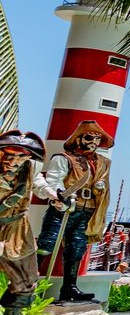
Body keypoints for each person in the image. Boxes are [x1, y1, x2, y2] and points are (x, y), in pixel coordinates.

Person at [37, 120, 113, 303]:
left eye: (97, 139)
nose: (93, 142)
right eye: (89, 138)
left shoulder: (102, 163)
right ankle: (27, 286)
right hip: (63, 208)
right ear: (78, 139)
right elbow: (54, 180)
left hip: (86, 210)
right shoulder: (64, 159)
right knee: (47, 244)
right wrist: (58, 196)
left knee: (77, 248)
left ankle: (69, 288)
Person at [0, 130, 62, 315]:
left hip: (18, 230)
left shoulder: (31, 167)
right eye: (9, 154)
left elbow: (39, 185)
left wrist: (54, 195)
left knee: (26, 280)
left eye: (20, 156)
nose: (14, 161)